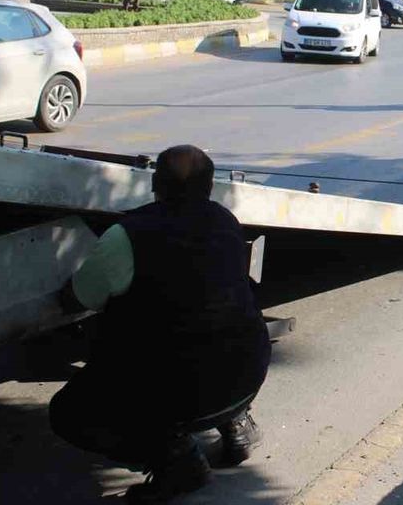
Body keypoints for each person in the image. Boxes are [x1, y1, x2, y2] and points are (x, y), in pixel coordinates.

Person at [50, 145, 271, 503]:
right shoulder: (226, 222)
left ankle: (176, 461)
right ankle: (236, 422)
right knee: (215, 329)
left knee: (68, 414)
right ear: (210, 187)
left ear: (155, 184)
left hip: (176, 387)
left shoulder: (128, 235)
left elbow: (82, 297)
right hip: (249, 373)